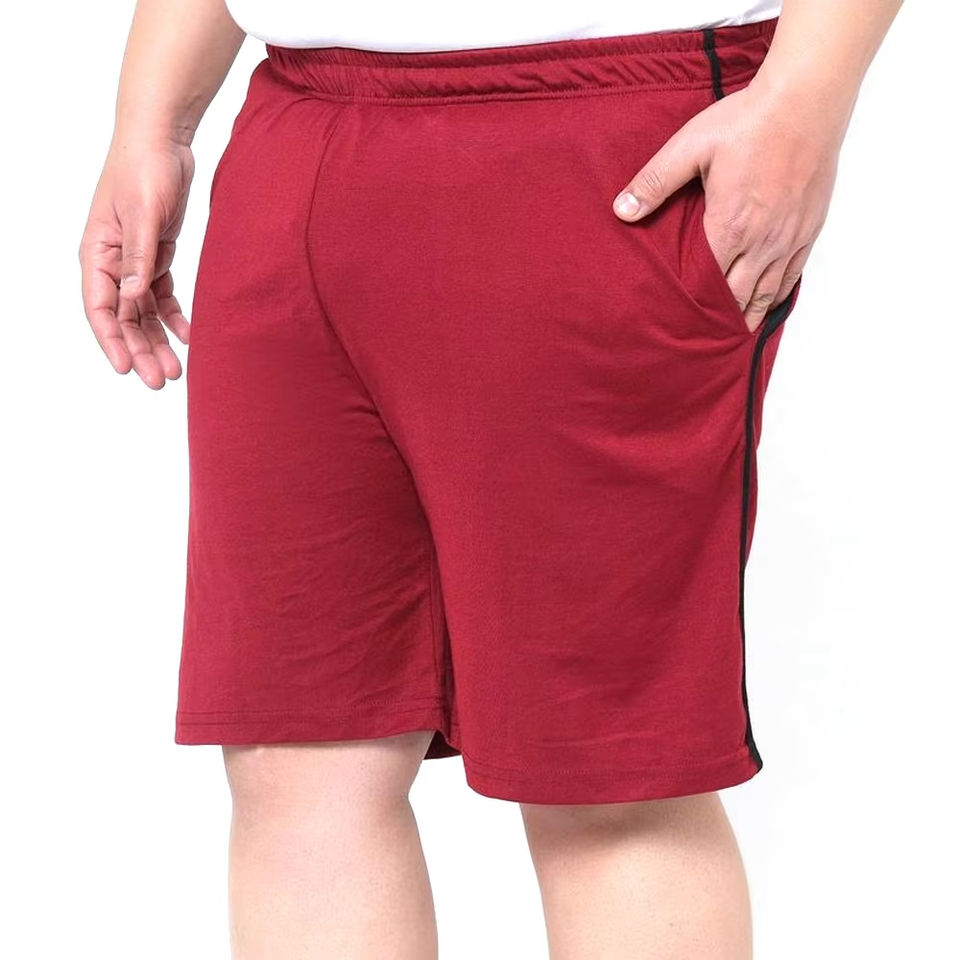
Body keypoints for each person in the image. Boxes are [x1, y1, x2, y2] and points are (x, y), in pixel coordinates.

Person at [78, 1, 903, 957]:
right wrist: (152, 122)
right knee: (295, 756)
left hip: (604, 128)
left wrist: (806, 98)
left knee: (607, 779)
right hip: (297, 124)